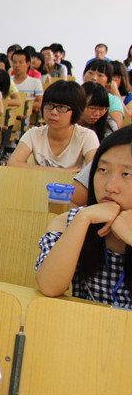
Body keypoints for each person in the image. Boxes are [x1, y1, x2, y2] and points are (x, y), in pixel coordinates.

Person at [36, 126, 132, 309]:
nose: (110, 186)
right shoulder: (68, 221)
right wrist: (83, 217)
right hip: (82, 325)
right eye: (103, 170)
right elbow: (49, 286)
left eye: (126, 174)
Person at [8, 81, 98, 171]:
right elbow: (12, 164)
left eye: (61, 107)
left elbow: (94, 170)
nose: (53, 112)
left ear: (76, 111)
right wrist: (61, 172)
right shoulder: (34, 134)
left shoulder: (87, 136)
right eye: (49, 105)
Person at [83, 60, 124, 127]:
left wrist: (115, 90)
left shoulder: (113, 100)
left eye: (100, 75)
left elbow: (116, 128)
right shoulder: (75, 94)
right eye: (90, 73)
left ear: (108, 81)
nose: (94, 78)